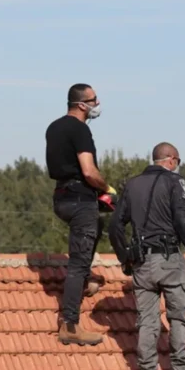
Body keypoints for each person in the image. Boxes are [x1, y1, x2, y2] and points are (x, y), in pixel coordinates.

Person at [108, 142, 185, 370]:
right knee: (177, 317)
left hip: (142, 263)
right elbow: (183, 220)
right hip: (170, 259)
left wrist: (125, 258)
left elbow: (115, 226)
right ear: (172, 159)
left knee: (147, 322)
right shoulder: (175, 183)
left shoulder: (131, 185)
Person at [46, 83, 115, 346]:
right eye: (94, 100)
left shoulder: (54, 127)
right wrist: (107, 188)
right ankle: (70, 326)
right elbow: (89, 171)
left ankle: (85, 282)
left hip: (61, 197)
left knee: (93, 231)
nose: (97, 104)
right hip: (79, 199)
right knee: (77, 262)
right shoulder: (80, 129)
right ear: (81, 104)